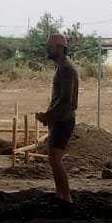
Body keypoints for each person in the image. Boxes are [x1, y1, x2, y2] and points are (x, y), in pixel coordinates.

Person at [34, 32, 79, 203]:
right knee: (54, 159)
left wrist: (48, 115)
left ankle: (66, 197)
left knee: (55, 159)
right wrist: (49, 117)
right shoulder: (61, 67)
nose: (47, 49)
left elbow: (66, 100)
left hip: (63, 120)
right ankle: (61, 195)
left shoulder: (66, 69)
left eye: (50, 46)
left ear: (60, 48)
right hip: (58, 120)